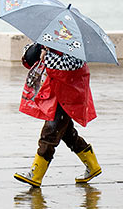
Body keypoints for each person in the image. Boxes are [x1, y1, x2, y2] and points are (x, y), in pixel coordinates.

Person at [14, 42, 102, 187]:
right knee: (67, 133)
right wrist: (37, 50)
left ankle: (36, 174)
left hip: (69, 92)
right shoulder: (50, 37)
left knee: (51, 131)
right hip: (56, 90)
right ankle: (92, 166)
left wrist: (47, 56)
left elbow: (72, 64)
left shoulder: (75, 41)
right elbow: (30, 57)